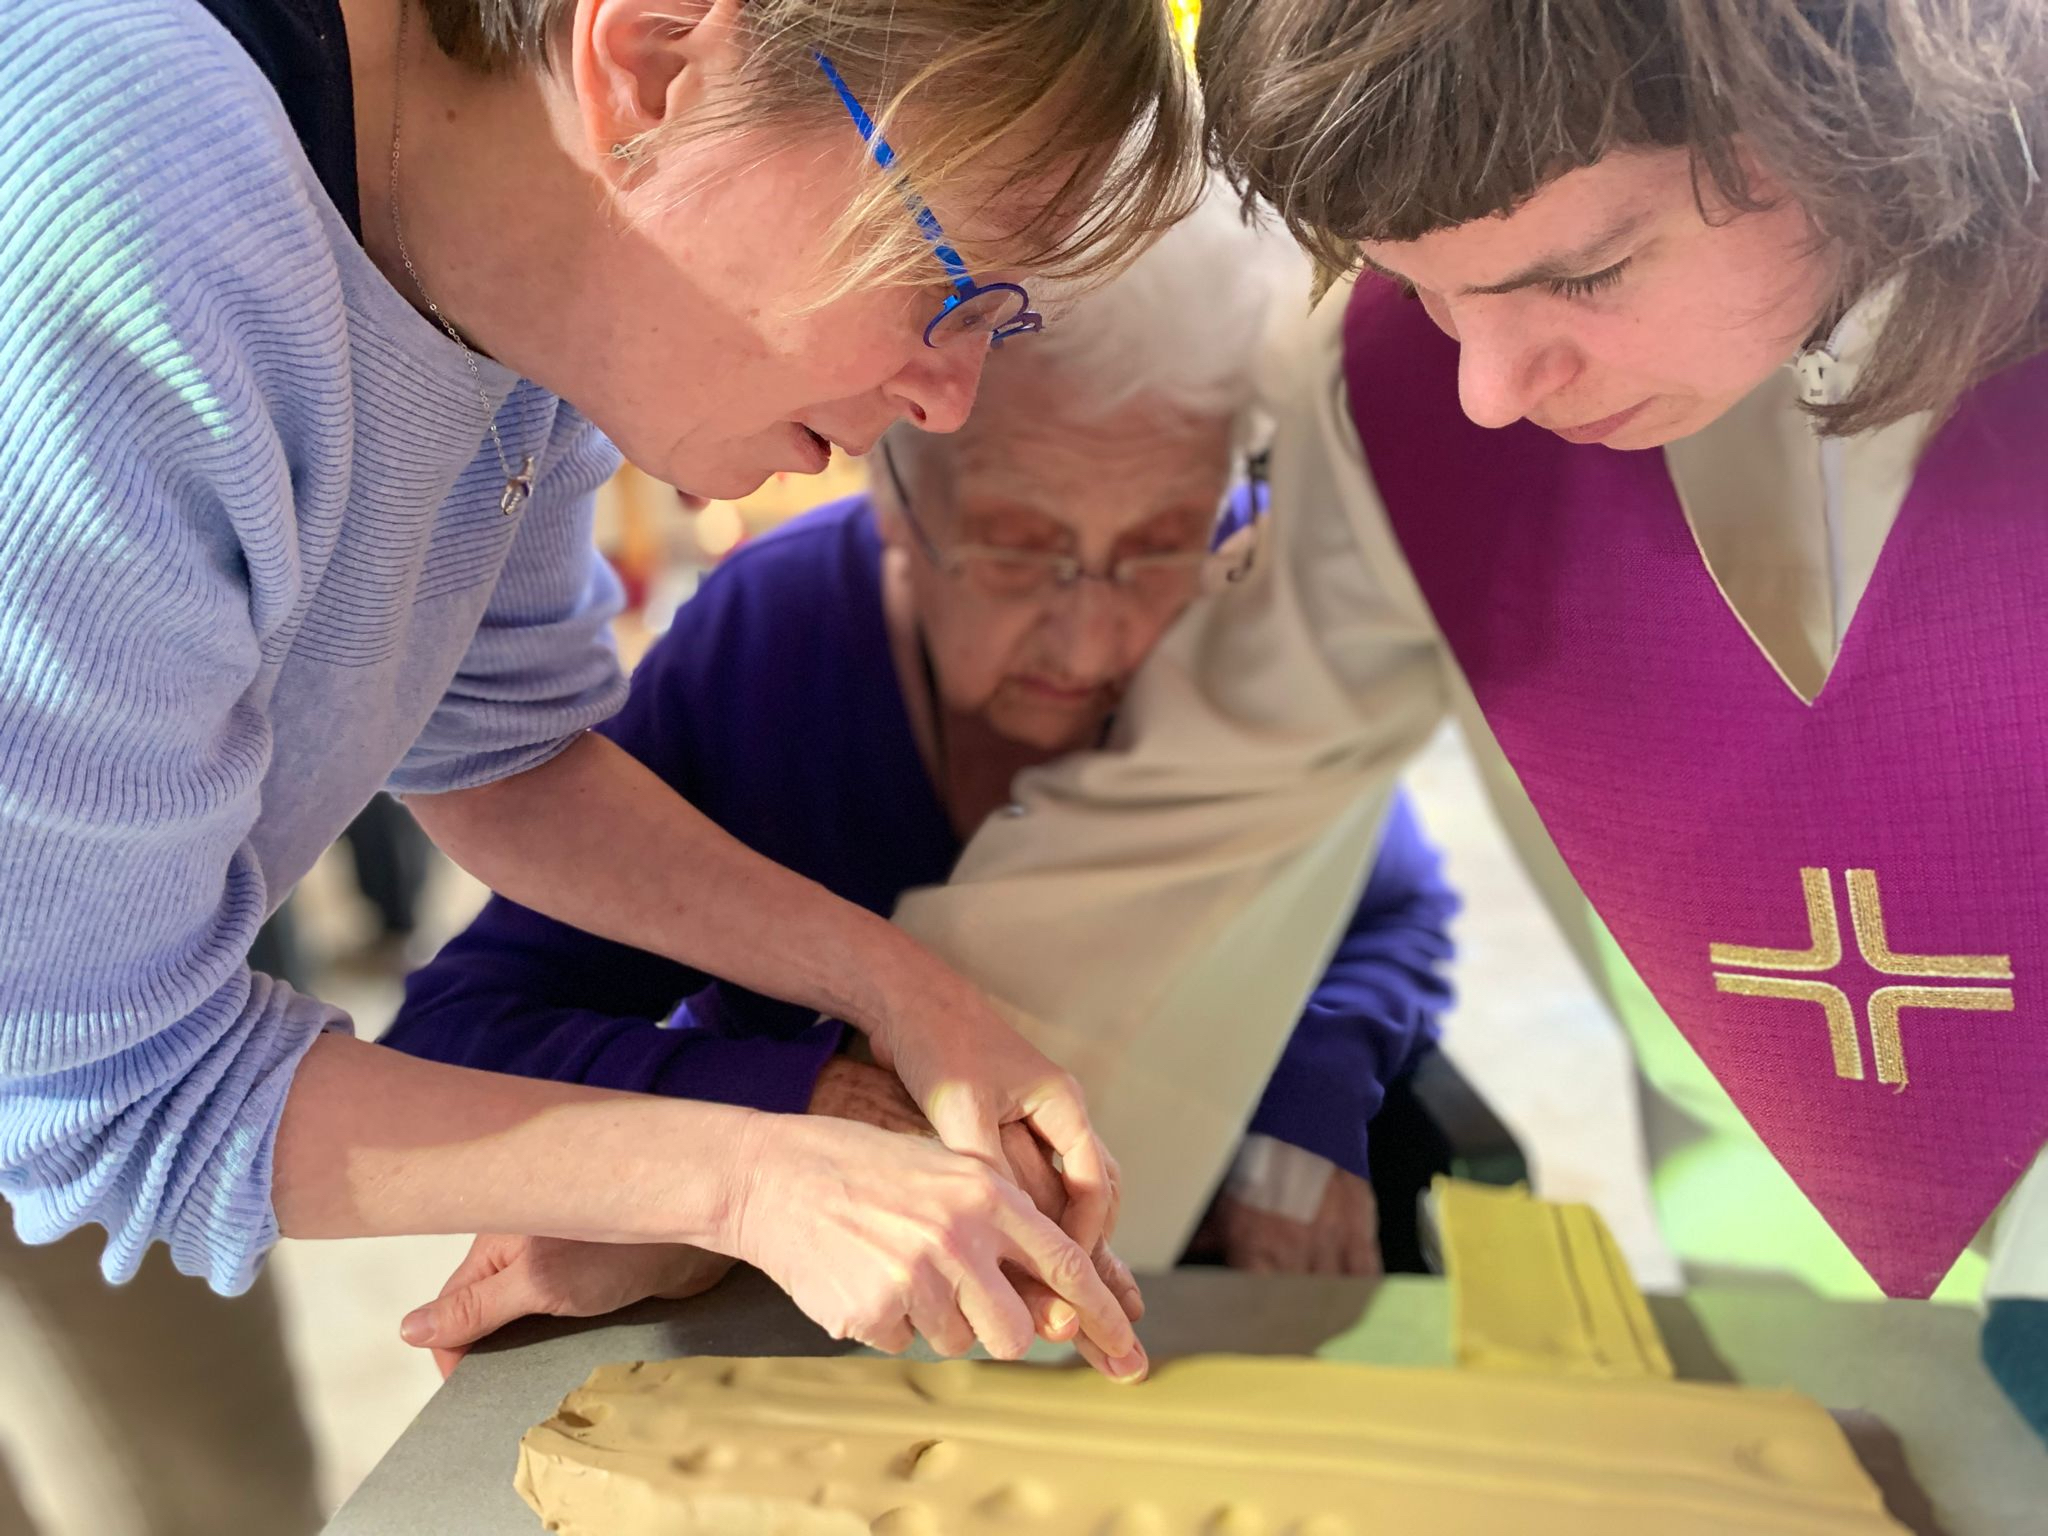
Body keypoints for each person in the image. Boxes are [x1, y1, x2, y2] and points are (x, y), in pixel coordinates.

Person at [1, 4, 1200, 1467]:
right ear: (653, 65)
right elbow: (119, 1084)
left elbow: (500, 745)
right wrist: (748, 1176)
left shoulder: (536, 267)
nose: (952, 398)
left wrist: (902, 993)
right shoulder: (102, 232)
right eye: (943, 274)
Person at [869, 0, 2048, 1377]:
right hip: (1777, 1282)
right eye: (1426, 287)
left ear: (1853, 101)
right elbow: (1185, 830)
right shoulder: (1400, 394)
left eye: (1592, 272)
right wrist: (893, 1130)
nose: (1490, 388)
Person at [381, 193, 1461, 1356]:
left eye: (1156, 545)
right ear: (896, 501)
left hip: (1184, 1270)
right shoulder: (774, 642)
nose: (1094, 644)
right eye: (1015, 550)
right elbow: (464, 1031)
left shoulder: (1247, 603)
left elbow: (1387, 909)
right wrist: (804, 1106)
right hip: (868, 1301)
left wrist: (1300, 1097)